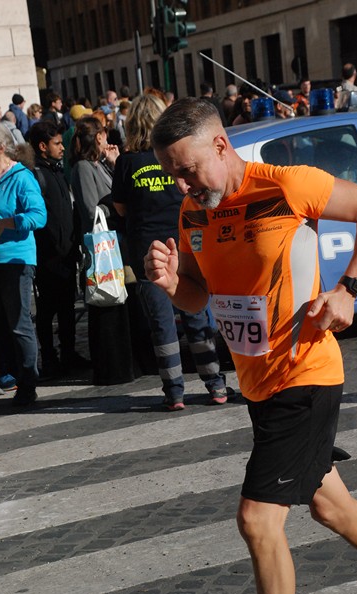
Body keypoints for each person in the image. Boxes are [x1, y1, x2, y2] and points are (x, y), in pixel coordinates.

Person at [144, 98, 357, 594]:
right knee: (330, 504)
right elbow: (198, 294)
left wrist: (349, 289)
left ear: (220, 144)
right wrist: (171, 283)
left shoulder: (286, 184)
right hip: (257, 383)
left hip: (305, 373)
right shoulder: (194, 211)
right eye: (172, 176)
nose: (182, 187)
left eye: (187, 172)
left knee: (257, 521)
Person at [111, 94, 231, 410]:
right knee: (196, 311)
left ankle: (174, 391)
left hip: (148, 250)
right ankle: (215, 384)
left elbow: (120, 209)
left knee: (161, 322)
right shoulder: (175, 157)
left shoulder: (126, 163)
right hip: (186, 242)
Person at [70, 116, 136, 385]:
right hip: (102, 248)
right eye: (104, 133)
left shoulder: (100, 164)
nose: (107, 137)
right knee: (106, 303)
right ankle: (111, 367)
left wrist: (114, 163)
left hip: (116, 245)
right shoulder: (83, 167)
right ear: (98, 137)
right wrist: (113, 207)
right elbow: (90, 209)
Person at [0, 122, 47, 408]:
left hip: (16, 259)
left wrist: (5, 223)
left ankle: (28, 381)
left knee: (19, 323)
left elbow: (39, 216)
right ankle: (4, 375)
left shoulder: (22, 178)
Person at [29, 121, 90, 379]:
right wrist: (53, 248)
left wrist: (74, 244)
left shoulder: (57, 172)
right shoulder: (36, 175)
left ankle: (68, 352)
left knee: (66, 309)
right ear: (43, 147)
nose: (62, 147)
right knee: (46, 311)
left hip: (67, 255)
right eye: (56, 143)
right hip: (48, 258)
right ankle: (50, 358)